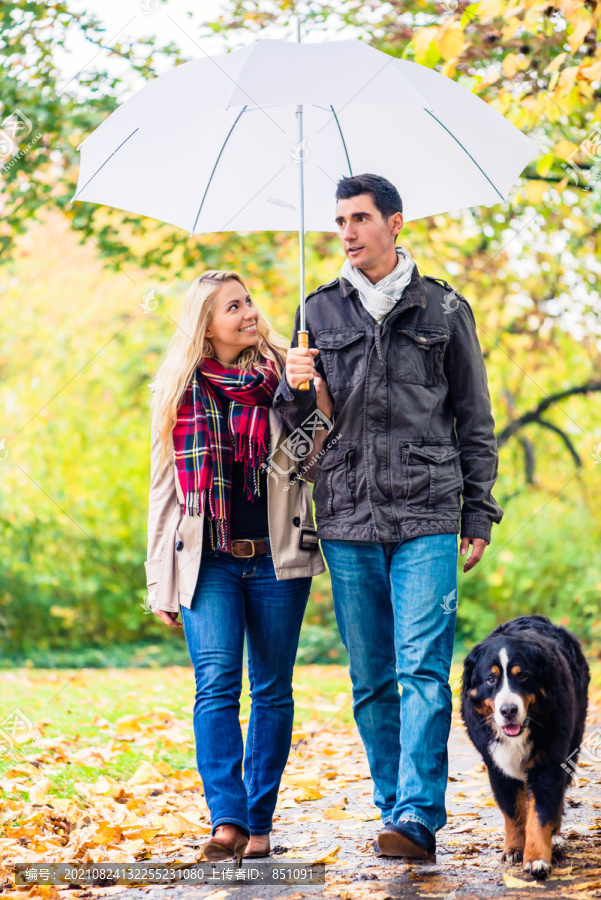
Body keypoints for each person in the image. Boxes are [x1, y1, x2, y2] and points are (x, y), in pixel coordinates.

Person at [273, 174, 504, 861]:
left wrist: (478, 511)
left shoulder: (445, 309)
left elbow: (474, 419)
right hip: (345, 515)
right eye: (339, 219)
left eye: (359, 218)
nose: (345, 232)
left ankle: (416, 815)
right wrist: (294, 392)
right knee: (372, 676)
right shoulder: (315, 313)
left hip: (429, 511)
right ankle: (390, 802)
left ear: (395, 223)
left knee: (423, 670)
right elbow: (297, 443)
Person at [145, 270, 329, 862]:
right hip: (208, 561)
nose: (250, 312)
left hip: (277, 557)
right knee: (216, 687)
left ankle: (259, 820)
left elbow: (317, 448)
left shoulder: (286, 368)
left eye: (248, 301)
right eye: (234, 306)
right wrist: (159, 579)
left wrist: (306, 394)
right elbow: (163, 492)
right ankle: (227, 820)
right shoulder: (179, 390)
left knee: (272, 691)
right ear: (207, 324)